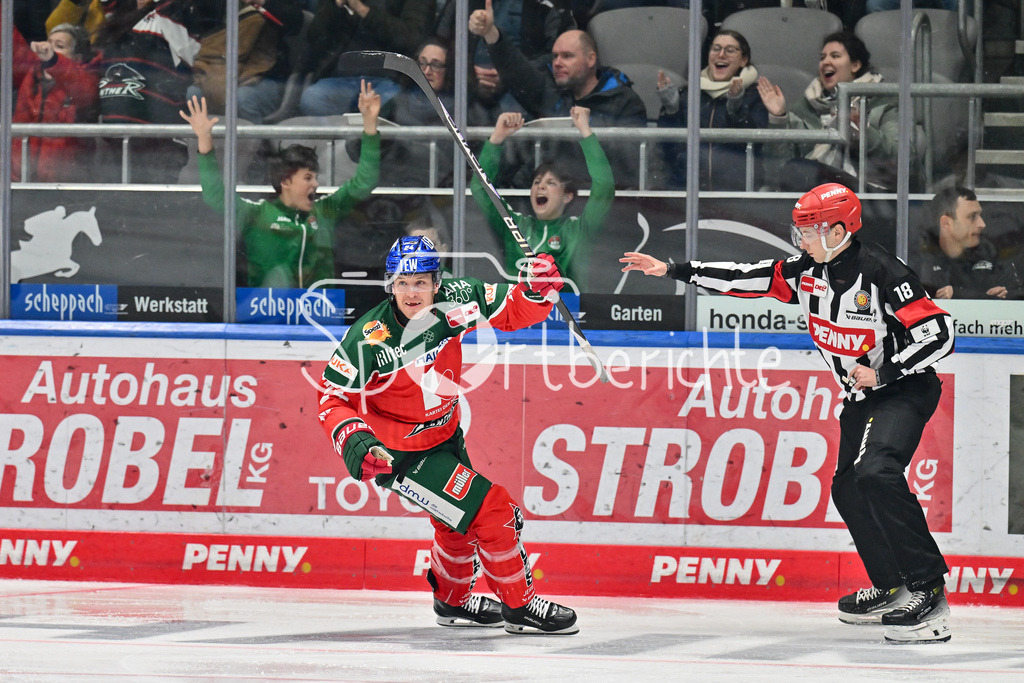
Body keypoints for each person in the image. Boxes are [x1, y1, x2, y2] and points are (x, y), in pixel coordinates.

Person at [620, 183, 955, 644]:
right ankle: (893, 587)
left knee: (876, 471)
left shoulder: (882, 272)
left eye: (810, 232)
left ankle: (929, 591)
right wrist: (674, 269)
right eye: (799, 232)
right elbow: (745, 277)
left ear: (840, 230)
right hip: (862, 396)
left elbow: (940, 334)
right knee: (849, 486)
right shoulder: (804, 272)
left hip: (904, 388)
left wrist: (886, 372)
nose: (801, 242)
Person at [317, 235, 579, 635]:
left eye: (421, 282)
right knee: (494, 511)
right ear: (391, 284)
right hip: (400, 455)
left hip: (445, 435)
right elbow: (332, 397)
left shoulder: (457, 299)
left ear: (437, 283)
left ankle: (453, 601)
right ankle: (520, 606)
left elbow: (510, 309)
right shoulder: (369, 336)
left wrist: (536, 290)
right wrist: (356, 440)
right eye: (402, 282)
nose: (411, 292)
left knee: (456, 524)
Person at [179, 82, 381, 288]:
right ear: (286, 181)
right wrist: (204, 140)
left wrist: (370, 125)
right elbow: (215, 194)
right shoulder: (256, 215)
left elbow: (365, 181)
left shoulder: (325, 210)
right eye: (308, 178)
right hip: (267, 314)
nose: (316, 184)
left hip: (318, 315)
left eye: (315, 178)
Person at [468, 3, 647, 188]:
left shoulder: (625, 102)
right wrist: (490, 34)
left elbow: (631, 165)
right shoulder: (551, 92)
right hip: (550, 206)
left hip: (601, 205)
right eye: (554, 56)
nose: (557, 63)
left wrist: (586, 133)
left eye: (567, 56)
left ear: (591, 59)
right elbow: (518, 72)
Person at [471, 106, 613, 291]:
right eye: (537, 181)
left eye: (551, 183)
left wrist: (585, 132)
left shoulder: (577, 230)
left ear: (567, 197)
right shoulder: (515, 226)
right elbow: (481, 189)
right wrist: (497, 138)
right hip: (518, 317)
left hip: (564, 315)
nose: (541, 186)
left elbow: (605, 187)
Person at [757, 31, 904, 191]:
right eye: (822, 58)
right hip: (815, 190)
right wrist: (778, 118)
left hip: (868, 193)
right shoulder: (806, 107)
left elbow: (903, 159)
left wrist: (864, 132)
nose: (826, 62)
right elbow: (776, 168)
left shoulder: (883, 101)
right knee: (797, 170)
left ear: (855, 65)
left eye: (835, 56)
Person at [93, 0, 207, 184]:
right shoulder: (119, 17)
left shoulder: (175, 12)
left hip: (157, 137)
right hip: (116, 131)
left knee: (150, 204)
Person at [656, 28, 768, 191]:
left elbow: (756, 146)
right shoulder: (688, 92)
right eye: (715, 49)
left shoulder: (756, 95)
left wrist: (735, 110)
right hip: (686, 192)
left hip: (736, 196)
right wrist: (671, 111)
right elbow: (667, 148)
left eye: (730, 50)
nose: (721, 55)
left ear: (744, 60)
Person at [298, 0, 434, 116]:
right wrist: (333, 7)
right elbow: (313, 39)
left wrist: (362, 10)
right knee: (312, 99)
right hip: (339, 79)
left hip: (391, 79)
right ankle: (346, 143)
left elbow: (413, 39)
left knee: (392, 106)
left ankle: (361, 142)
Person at [189, 0, 306, 124]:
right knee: (194, 93)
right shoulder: (219, 5)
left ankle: (257, 142)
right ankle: (204, 142)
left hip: (267, 76)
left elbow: (295, 24)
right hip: (219, 70)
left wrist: (261, 2)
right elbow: (200, 31)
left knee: (243, 97)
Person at [11, 23, 100, 183]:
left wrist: (53, 60)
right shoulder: (30, 73)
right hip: (20, 182)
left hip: (65, 188)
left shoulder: (87, 80)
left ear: (77, 58)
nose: (48, 49)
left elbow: (81, 87)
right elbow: (13, 44)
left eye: (59, 46)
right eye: (48, 43)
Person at [913, 185, 1017, 300]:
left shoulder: (989, 251)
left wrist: (958, 294)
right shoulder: (920, 260)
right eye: (972, 217)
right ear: (946, 223)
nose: (982, 224)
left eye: (979, 215)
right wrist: (985, 297)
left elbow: (1016, 293)